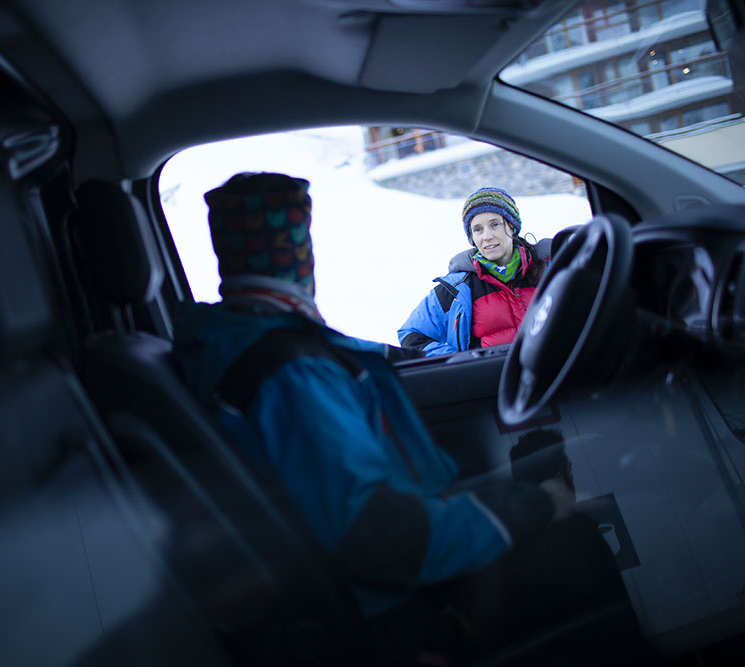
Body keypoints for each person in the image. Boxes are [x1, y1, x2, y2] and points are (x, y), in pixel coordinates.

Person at [173, 172, 572, 634]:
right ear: (301, 256)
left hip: (391, 548)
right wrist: (528, 509)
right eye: (299, 242)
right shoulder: (292, 370)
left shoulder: (246, 337)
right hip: (396, 608)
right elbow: (378, 538)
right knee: (578, 551)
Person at [398, 187, 551, 356]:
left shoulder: (551, 266)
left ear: (511, 226)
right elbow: (411, 335)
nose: (487, 236)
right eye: (478, 229)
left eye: (494, 225)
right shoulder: (457, 288)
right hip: (495, 381)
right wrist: (458, 362)